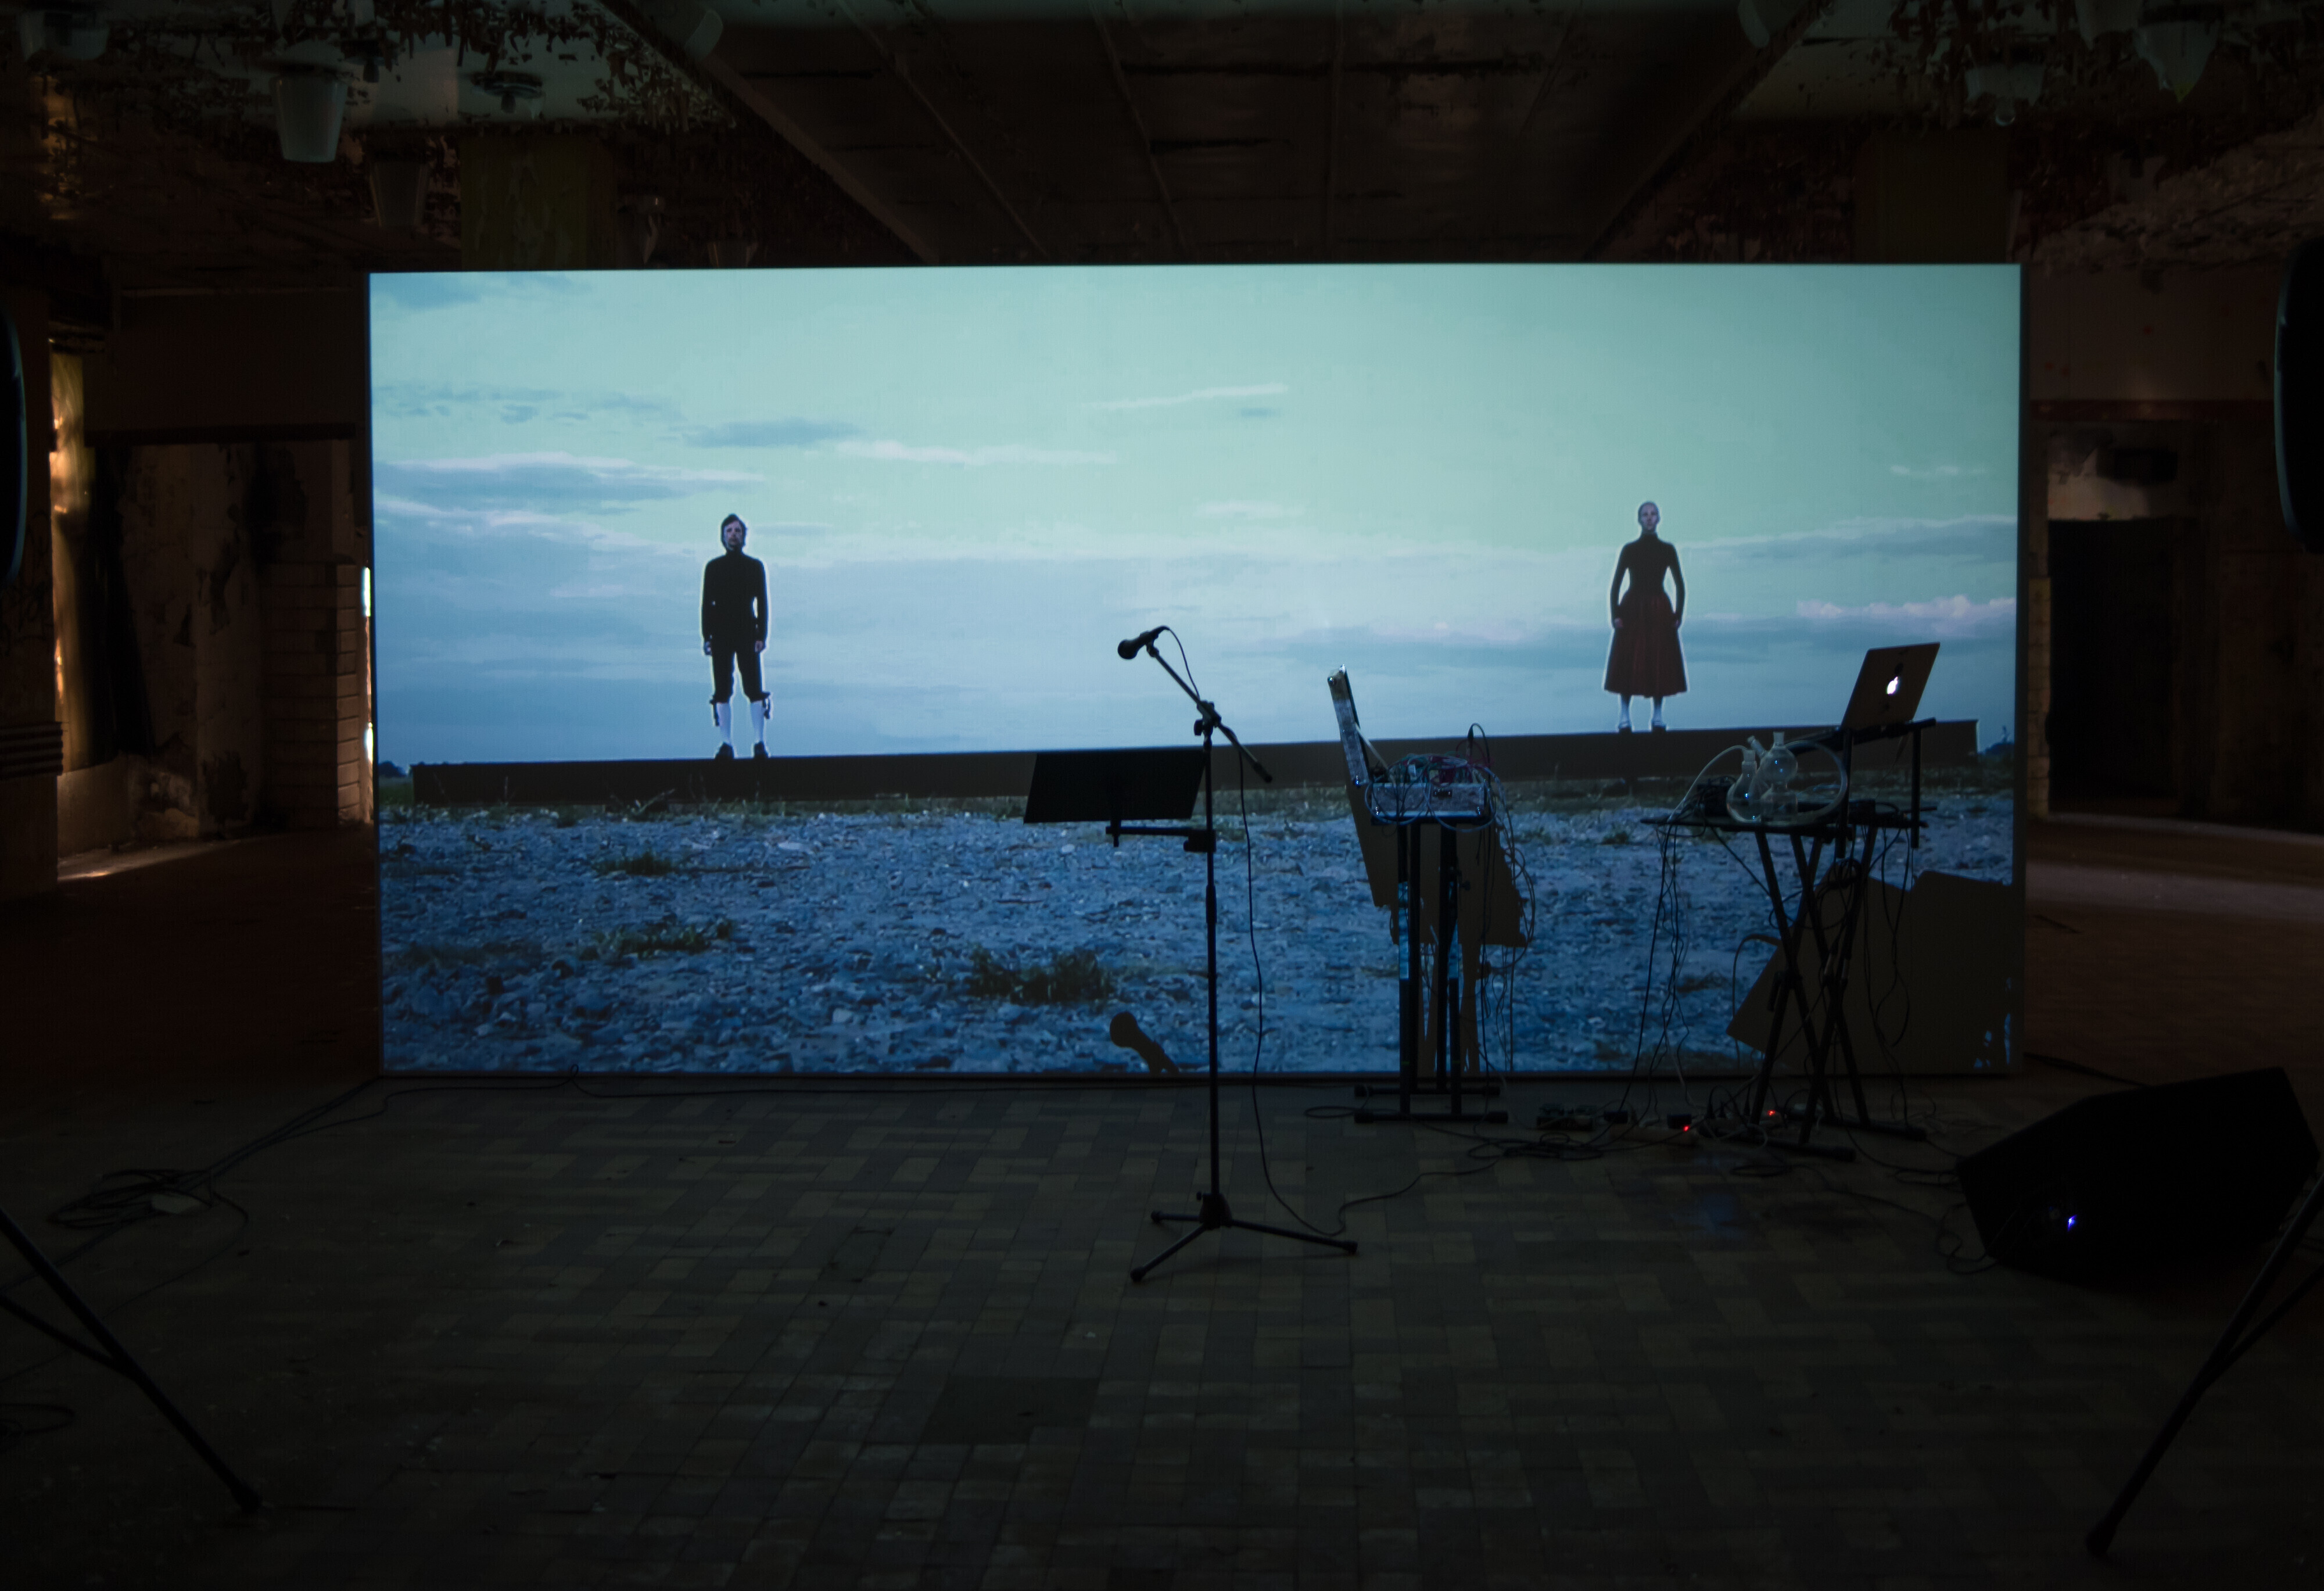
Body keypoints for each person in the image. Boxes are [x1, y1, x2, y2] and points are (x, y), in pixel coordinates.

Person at [1604, 500, 1687, 732]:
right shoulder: (1629, 550)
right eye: (1645, 515)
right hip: (1633, 608)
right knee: (1628, 661)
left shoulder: (1667, 549)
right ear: (1639, 520)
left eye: (1653, 514)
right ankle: (1624, 716)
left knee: (1658, 660)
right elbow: (1615, 584)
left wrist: (1678, 614)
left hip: (1659, 608)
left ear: (1658, 519)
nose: (1649, 518)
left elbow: (1680, 585)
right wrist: (1615, 614)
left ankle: (1657, 716)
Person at [701, 513, 769, 759]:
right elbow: (706, 603)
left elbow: (762, 602)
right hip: (720, 632)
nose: (733, 535)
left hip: (747, 631)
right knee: (722, 688)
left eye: (738, 531)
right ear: (723, 536)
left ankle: (759, 742)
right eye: (729, 531)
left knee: (754, 686)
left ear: (744, 536)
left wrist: (762, 634)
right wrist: (706, 636)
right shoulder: (713, 567)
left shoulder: (754, 566)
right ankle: (726, 744)